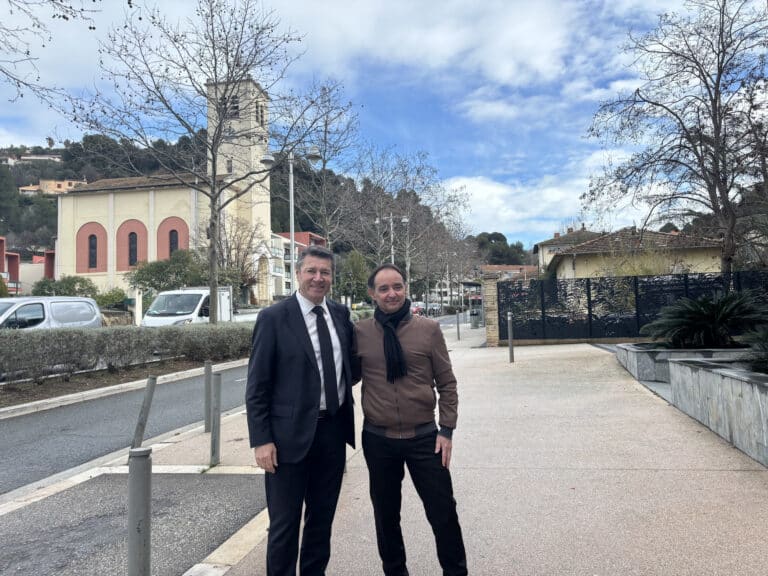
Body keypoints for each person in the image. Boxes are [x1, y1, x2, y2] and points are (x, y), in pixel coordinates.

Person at [245, 245, 356, 576]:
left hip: (332, 435)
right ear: (298, 273)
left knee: (321, 522)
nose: (318, 278)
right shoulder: (273, 318)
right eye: (311, 271)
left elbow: (350, 368)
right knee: (284, 526)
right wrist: (261, 440)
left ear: (331, 277)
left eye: (325, 272)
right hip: (285, 440)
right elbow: (257, 387)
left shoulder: (340, 315)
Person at [355, 263, 468, 576]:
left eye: (397, 287)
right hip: (378, 439)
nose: (392, 294)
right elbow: (342, 376)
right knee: (386, 516)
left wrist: (447, 430)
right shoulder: (361, 332)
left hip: (425, 438)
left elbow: (447, 382)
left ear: (405, 288)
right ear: (372, 294)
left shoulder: (428, 329)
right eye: (384, 288)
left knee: (443, 512)